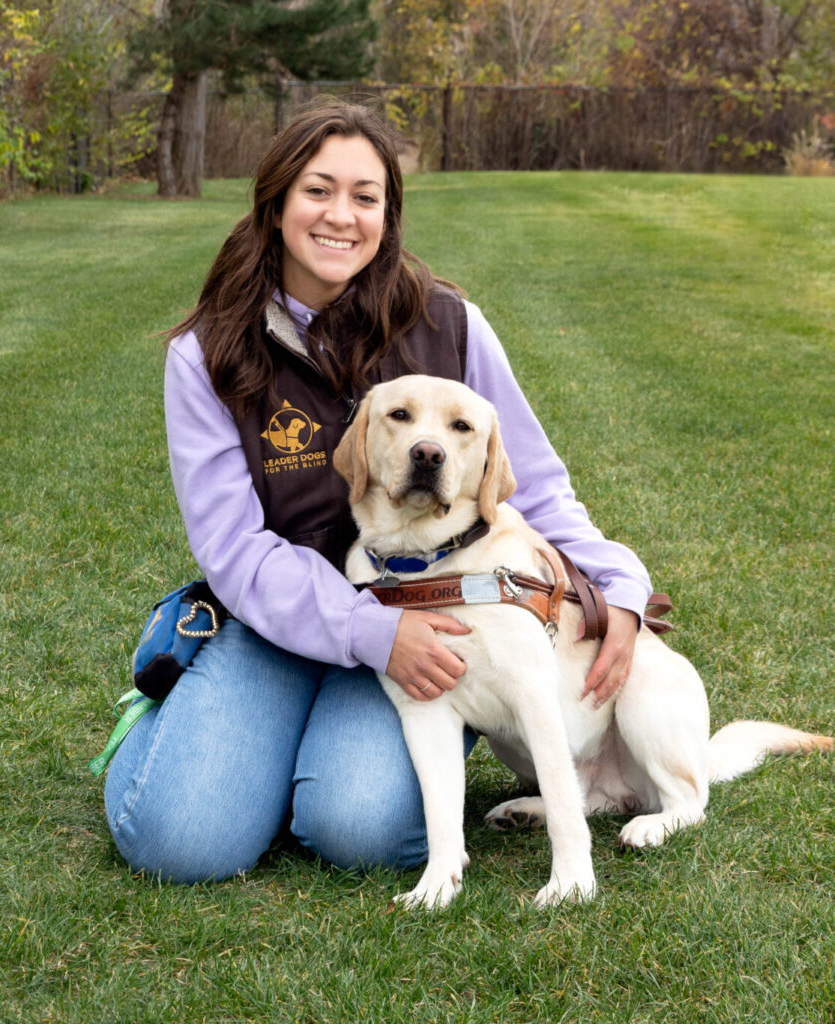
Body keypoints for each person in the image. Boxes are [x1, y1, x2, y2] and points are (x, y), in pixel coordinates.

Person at [103, 99, 653, 884]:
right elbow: (231, 546)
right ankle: (176, 723)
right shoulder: (209, 353)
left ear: (388, 216)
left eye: (366, 197)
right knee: (180, 842)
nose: (342, 216)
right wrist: (364, 631)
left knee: (364, 830)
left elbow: (533, 487)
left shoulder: (452, 325)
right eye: (318, 190)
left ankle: (296, 761)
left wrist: (621, 589)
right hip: (279, 619)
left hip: (430, 620)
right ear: (277, 202)